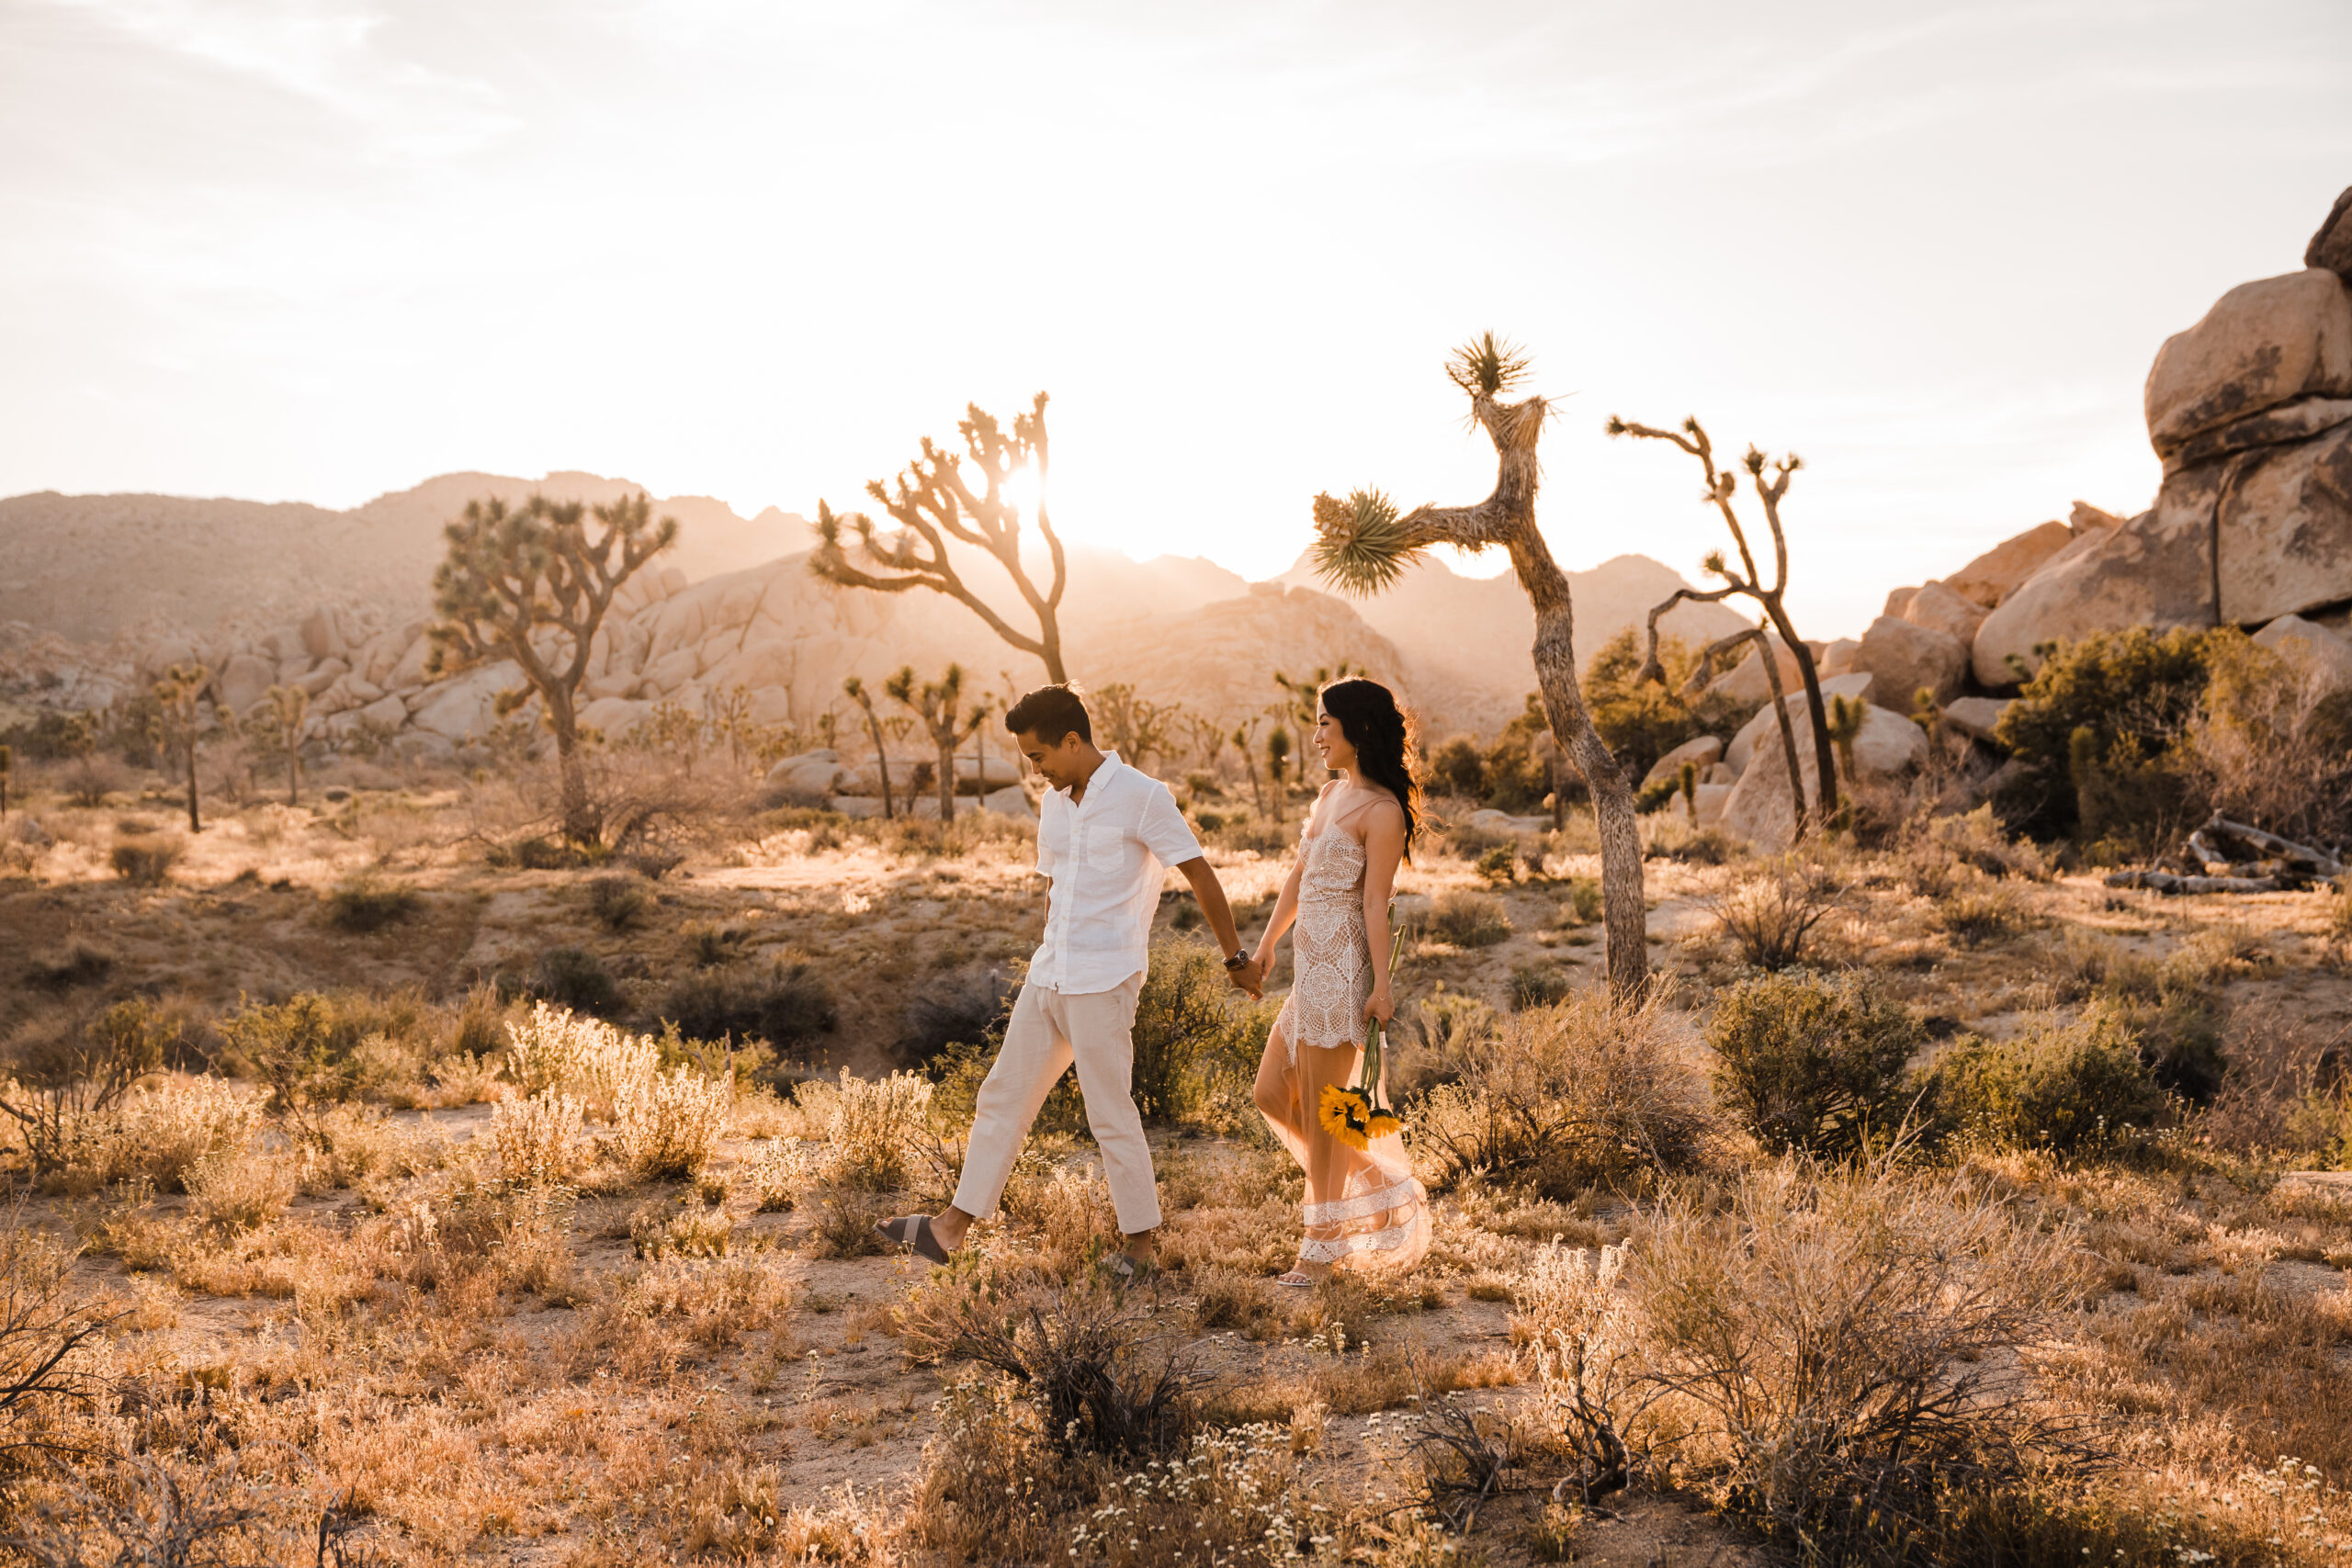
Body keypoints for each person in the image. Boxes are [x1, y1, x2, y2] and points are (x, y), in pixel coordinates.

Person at [877, 683, 1261, 1275]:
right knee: (1002, 1096)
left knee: (1110, 1111)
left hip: (1105, 981)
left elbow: (1200, 874)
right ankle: (948, 1231)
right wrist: (1045, 952)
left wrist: (1236, 960)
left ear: (1073, 740)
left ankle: (1140, 1250)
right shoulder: (1055, 801)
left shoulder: (1142, 796)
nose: (1037, 772)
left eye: (1040, 757)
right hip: (1051, 975)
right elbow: (1054, 885)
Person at [1244, 677, 1431, 1284]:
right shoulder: (1329, 795)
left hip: (1344, 968)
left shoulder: (1384, 812)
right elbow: (1298, 876)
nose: (1317, 734)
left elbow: (1374, 903)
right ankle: (1377, 1181)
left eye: (1326, 722)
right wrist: (1268, 942)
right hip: (1306, 970)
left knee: (1327, 1118)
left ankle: (1322, 1250)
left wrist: (1381, 986)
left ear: (1357, 727)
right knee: (1270, 1093)